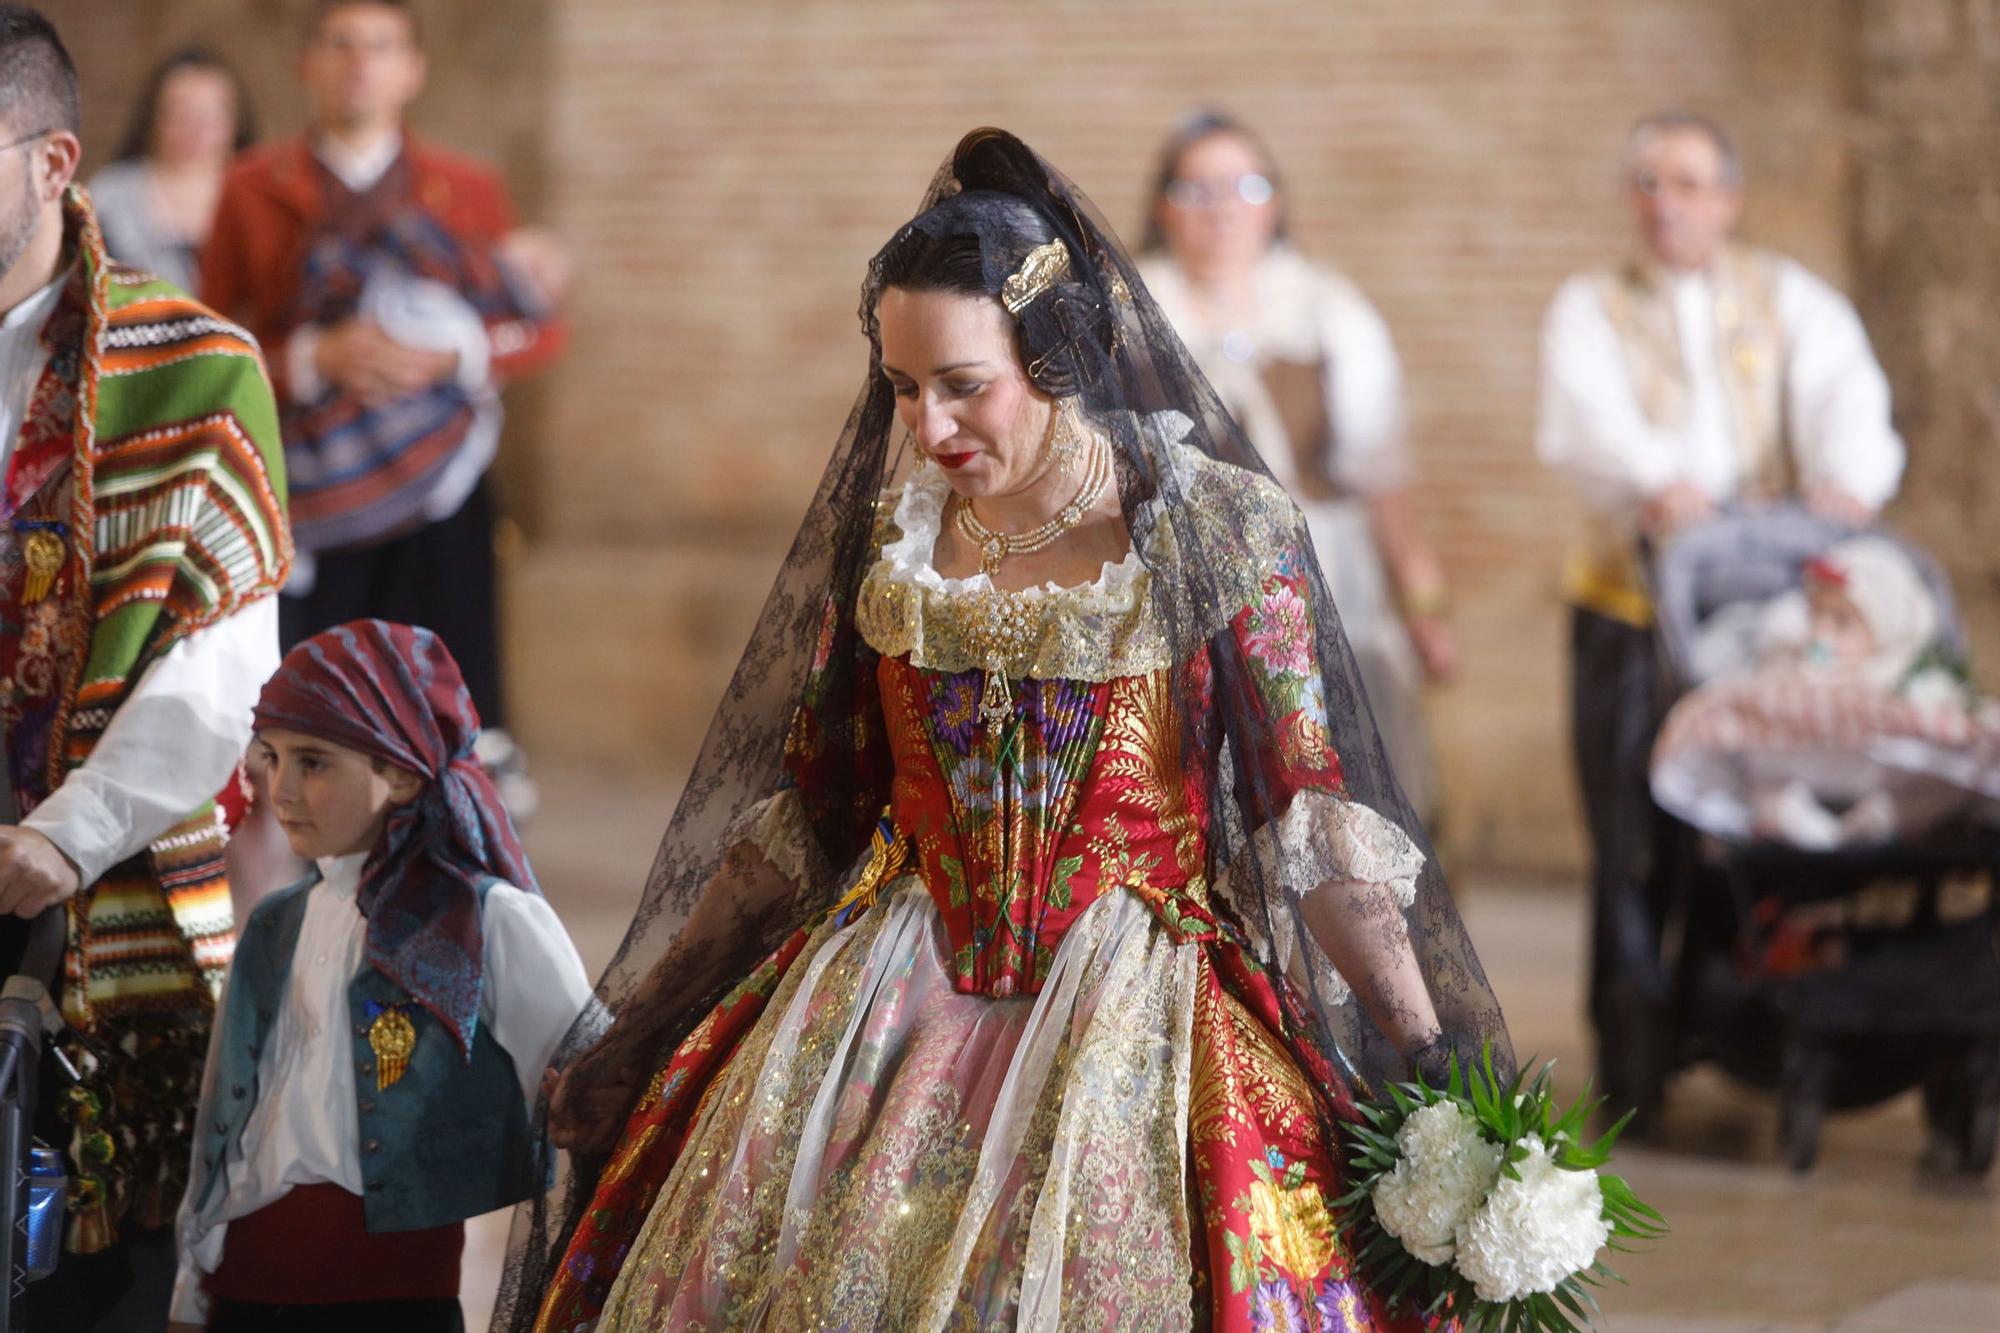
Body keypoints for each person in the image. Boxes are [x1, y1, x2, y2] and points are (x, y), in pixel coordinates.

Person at [494, 128, 1507, 1333]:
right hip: (881, 1014)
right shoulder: (895, 546)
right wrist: (651, 1018)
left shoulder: (1217, 529)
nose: (926, 428)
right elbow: (806, 818)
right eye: (902, 387)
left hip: (1133, 1015)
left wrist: (1426, 1059)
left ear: (1058, 353)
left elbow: (1310, 820)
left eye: (961, 384)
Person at [0, 9, 291, 1329]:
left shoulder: (199, 373)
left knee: (82, 1276)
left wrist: (65, 837)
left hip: (90, 888)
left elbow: (219, 668)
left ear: (56, 162)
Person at [1534, 110, 1905, 1097]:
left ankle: (1735, 1009)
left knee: (1744, 816)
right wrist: (1660, 482)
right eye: (1649, 183)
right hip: (1628, 608)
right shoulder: (1590, 305)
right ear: (1629, 200)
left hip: (1757, 614)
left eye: (1690, 183)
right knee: (1627, 830)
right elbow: (1587, 419)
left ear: (1727, 200)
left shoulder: (1785, 299)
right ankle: (1631, 1051)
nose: (1668, 203)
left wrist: (1842, 483)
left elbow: (1844, 398)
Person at [170, 620, 593, 1332]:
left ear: (400, 770)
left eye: (314, 762)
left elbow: (596, 1083)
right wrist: (189, 1291)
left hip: (390, 1302)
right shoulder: (275, 926)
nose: (282, 789)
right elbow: (224, 1122)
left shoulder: (485, 922)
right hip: (241, 1290)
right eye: (270, 757)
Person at [199, 0, 569, 771]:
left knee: (447, 709)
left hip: (445, 491)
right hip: (313, 490)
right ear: (308, 63)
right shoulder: (250, 186)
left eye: (380, 46)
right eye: (340, 45)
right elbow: (213, 349)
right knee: (320, 713)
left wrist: (452, 357)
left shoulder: (465, 187)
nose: (360, 62)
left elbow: (540, 325)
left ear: (413, 70)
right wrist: (312, 357)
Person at [1137, 110, 1455, 822]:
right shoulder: (1130, 317)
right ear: (1163, 205)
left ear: (1274, 201)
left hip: (1321, 577)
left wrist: (1423, 601)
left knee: (1342, 796)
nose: (1221, 209)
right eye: (1196, 190)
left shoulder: (1327, 310)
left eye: (1243, 186)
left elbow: (1382, 472)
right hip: (1179, 586)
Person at [1652, 534, 1996, 849]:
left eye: (1841, 622)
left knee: (1942, 788)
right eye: (1816, 616)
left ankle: (1884, 820)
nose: (1821, 633)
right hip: (1791, 772)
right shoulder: (1788, 666)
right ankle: (1806, 828)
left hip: (1882, 784)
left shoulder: (1906, 682)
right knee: (1767, 795)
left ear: (1885, 631)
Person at [87, 46, 254, 292]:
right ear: (153, 115)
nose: (196, 128)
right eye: (180, 113)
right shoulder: (110, 196)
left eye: (210, 114)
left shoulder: (259, 194)